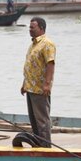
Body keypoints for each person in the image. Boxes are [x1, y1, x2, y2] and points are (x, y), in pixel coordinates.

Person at [21, 17, 55, 148]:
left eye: (32, 27)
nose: (29, 30)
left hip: (40, 88)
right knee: (34, 120)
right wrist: (24, 83)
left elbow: (50, 64)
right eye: (29, 27)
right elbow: (31, 65)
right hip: (30, 87)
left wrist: (47, 84)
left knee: (42, 120)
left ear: (41, 28)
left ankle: (46, 147)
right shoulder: (33, 45)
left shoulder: (47, 44)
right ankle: (38, 144)